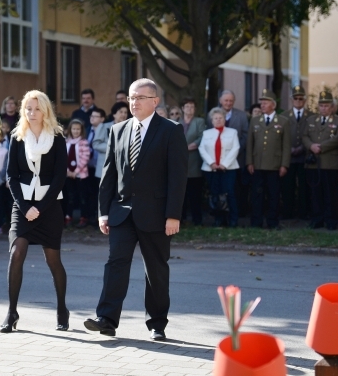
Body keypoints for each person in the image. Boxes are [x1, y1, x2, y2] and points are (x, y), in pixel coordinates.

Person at [85, 78, 188, 340]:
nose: (134, 102)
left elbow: (177, 178)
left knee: (155, 268)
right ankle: (106, 319)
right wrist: (103, 212)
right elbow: (108, 175)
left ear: (154, 101)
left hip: (156, 214)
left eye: (140, 98)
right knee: (116, 263)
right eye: (131, 97)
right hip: (121, 212)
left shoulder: (171, 130)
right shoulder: (117, 130)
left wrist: (173, 215)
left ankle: (157, 323)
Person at [2, 90, 68, 333]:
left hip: (49, 207)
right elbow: (11, 175)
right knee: (16, 253)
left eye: (37, 108)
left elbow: (60, 177)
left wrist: (39, 208)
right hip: (22, 207)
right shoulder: (17, 137)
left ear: (45, 111)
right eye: (28, 108)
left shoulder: (58, 137)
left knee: (53, 261)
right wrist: (24, 206)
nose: (32, 113)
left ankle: (62, 308)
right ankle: (11, 313)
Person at [247, 89, 290, 229]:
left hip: (274, 165)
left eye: (265, 103)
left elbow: (286, 146)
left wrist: (284, 165)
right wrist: (249, 162)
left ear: (273, 105)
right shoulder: (254, 121)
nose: (262, 105)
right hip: (258, 164)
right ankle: (256, 221)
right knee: (257, 195)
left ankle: (272, 221)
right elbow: (250, 144)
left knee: (273, 195)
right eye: (262, 103)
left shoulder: (283, 122)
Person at [303, 91, 338, 230]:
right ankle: (317, 219)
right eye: (321, 105)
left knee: (330, 194)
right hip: (313, 163)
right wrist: (311, 146)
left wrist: (320, 147)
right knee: (315, 194)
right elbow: (304, 136)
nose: (323, 108)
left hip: (330, 163)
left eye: (326, 105)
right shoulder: (310, 121)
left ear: (332, 107)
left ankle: (331, 220)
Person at [199, 108, 240, 227]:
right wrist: (211, 163)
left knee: (230, 194)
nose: (218, 120)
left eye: (220, 118)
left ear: (224, 119)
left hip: (229, 169)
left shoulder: (232, 132)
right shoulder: (207, 133)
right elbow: (202, 149)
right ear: (212, 120)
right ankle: (218, 220)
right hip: (211, 169)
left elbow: (235, 148)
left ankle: (233, 220)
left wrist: (224, 164)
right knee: (215, 194)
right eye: (215, 118)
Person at [218, 91, 250, 216]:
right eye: (226, 100)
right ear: (221, 101)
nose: (228, 103)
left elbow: (245, 135)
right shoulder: (213, 114)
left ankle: (239, 213)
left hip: (237, 158)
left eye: (231, 100)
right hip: (218, 160)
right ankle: (221, 212)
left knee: (237, 187)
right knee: (221, 187)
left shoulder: (241, 115)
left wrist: (235, 151)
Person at [282, 86, 312, 220]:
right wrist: (289, 149)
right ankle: (287, 212)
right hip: (288, 157)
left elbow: (313, 135)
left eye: (301, 98)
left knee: (304, 187)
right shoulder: (283, 116)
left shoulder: (311, 116)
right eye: (295, 98)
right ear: (291, 100)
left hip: (305, 156)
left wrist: (302, 148)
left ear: (305, 100)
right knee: (287, 186)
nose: (298, 101)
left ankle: (303, 213)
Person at [181, 98, 206, 226]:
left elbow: (202, 137)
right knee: (181, 194)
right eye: (187, 106)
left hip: (194, 161)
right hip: (180, 164)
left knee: (195, 193)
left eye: (192, 106)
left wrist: (191, 145)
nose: (189, 109)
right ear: (183, 108)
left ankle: (197, 219)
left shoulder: (199, 122)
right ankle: (182, 218)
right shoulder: (177, 122)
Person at [64, 118, 90, 227]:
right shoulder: (66, 142)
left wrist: (76, 171)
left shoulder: (84, 142)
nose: (76, 131)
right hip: (68, 174)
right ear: (70, 130)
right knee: (69, 196)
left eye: (78, 129)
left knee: (82, 197)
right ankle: (68, 217)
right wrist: (68, 171)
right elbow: (62, 157)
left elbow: (85, 157)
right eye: (74, 129)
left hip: (81, 175)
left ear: (81, 130)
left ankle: (83, 218)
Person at [86, 107, 108, 227]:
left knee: (99, 194)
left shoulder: (105, 130)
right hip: (87, 167)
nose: (92, 118)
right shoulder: (87, 130)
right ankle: (90, 217)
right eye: (91, 116)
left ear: (102, 119)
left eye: (95, 116)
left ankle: (98, 218)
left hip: (99, 167)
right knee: (89, 194)